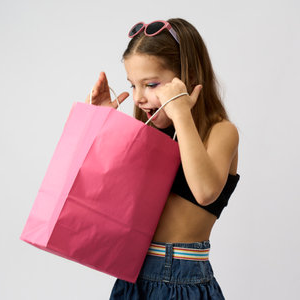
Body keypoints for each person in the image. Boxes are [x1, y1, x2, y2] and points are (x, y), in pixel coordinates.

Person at [87, 18, 239, 299]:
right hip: (130, 279)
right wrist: (99, 125)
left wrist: (180, 112)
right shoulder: (146, 134)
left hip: (182, 280)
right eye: (133, 85)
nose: (139, 98)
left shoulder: (221, 132)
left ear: (189, 75)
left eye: (152, 84)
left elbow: (205, 192)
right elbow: (100, 198)